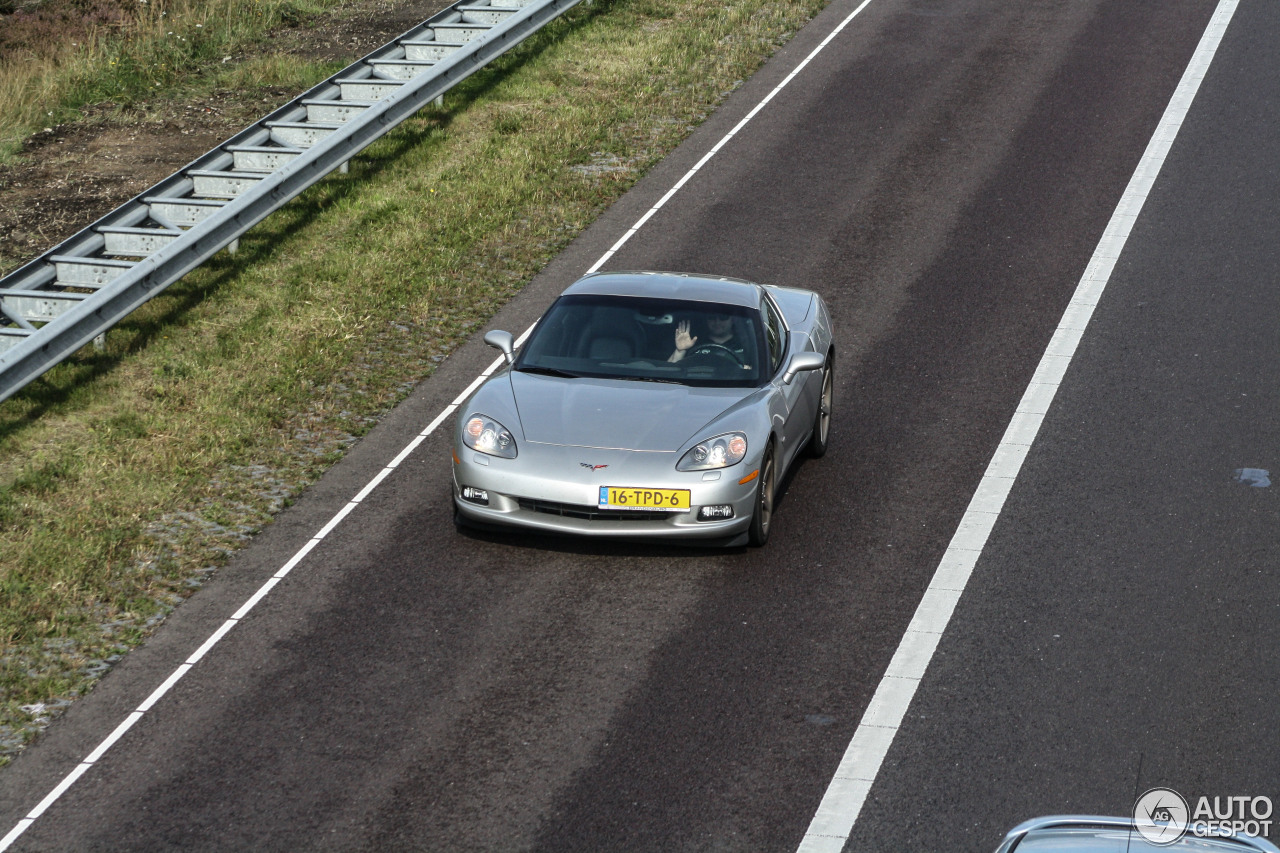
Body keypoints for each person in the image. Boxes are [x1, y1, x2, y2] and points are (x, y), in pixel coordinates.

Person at [668, 312, 749, 366]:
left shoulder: (746, 345)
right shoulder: (693, 343)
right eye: (712, 317)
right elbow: (669, 371)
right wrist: (680, 351)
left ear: (732, 320)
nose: (717, 322)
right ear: (706, 320)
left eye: (723, 317)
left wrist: (747, 371)